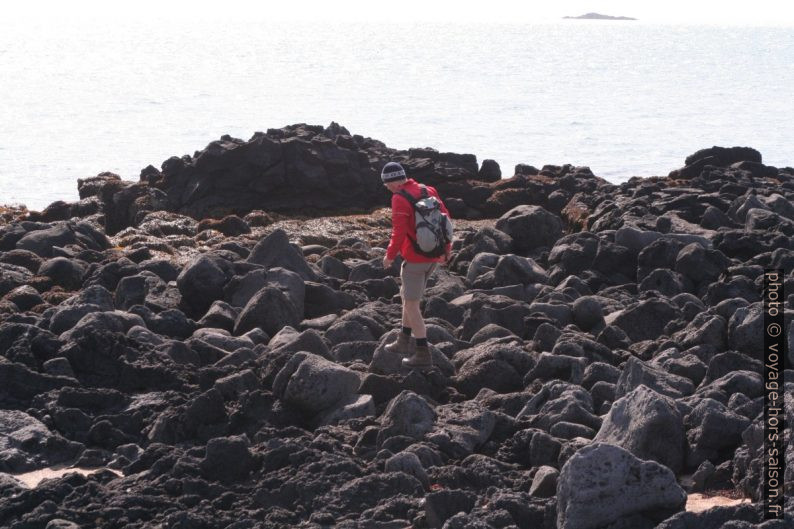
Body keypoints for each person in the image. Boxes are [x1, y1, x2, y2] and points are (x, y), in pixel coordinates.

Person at [380, 161, 452, 370]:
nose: (386, 188)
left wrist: (389, 256)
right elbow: (445, 220)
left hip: (414, 259)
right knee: (408, 297)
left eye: (386, 184)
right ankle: (403, 340)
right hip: (433, 257)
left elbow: (398, 232)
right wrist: (447, 250)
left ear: (392, 182)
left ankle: (422, 352)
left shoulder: (399, 198)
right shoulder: (428, 190)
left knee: (412, 304)